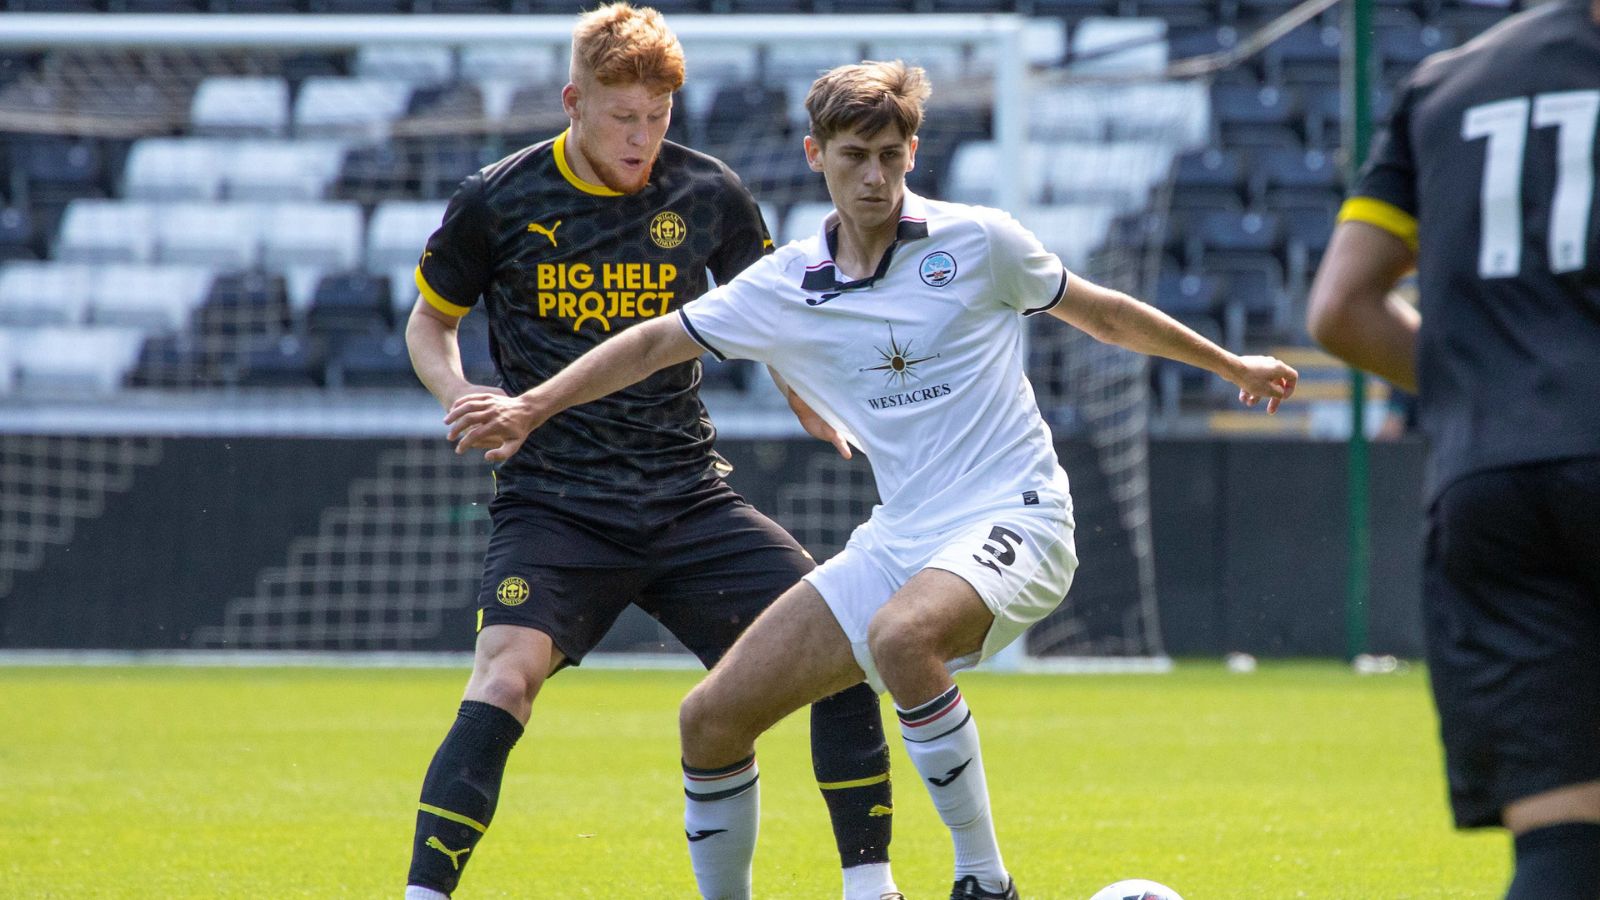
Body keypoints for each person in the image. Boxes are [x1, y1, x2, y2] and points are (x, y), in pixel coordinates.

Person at [444, 60, 1298, 899]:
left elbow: (1104, 311)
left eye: (891, 155)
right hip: (902, 539)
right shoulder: (784, 285)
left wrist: (1232, 364)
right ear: (816, 156)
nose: (875, 176)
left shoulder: (978, 242)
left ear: (913, 153)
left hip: (1019, 515)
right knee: (709, 721)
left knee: (900, 638)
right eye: (855, 156)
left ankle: (984, 881)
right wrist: (531, 407)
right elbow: (651, 342)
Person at [401, 7, 900, 899]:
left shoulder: (708, 192)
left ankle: (872, 889)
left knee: (843, 648)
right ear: (573, 100)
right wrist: (460, 393)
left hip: (688, 498)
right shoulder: (497, 198)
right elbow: (430, 321)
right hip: (555, 503)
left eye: (659, 115)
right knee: (505, 678)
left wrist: (808, 397)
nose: (642, 136)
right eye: (623, 115)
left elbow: (776, 315)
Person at [1306, 2, 1600, 896]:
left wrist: (1497, 395)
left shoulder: (1449, 81)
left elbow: (1340, 311)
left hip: (1495, 487)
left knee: (1562, 845)